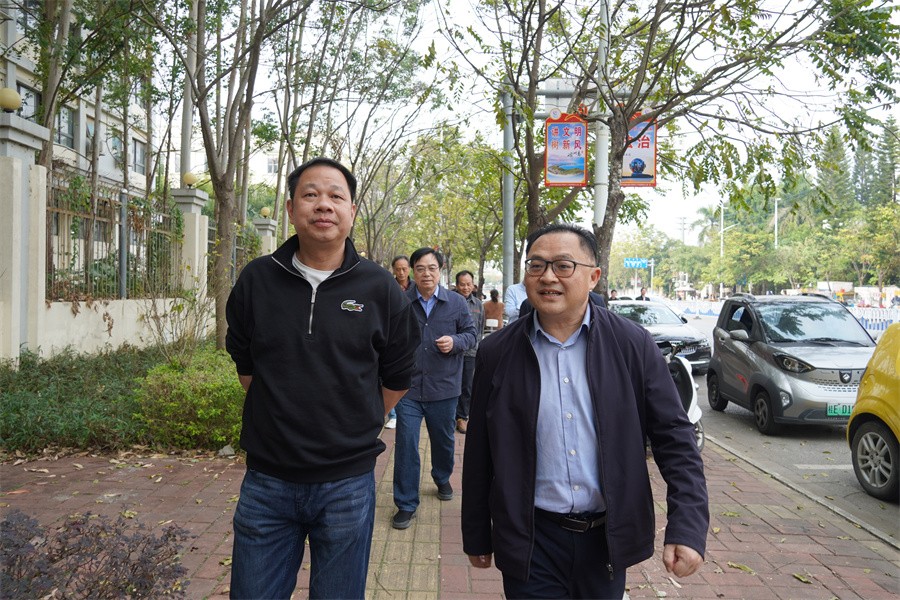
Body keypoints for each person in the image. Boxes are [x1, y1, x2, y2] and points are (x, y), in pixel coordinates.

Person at [462, 223, 708, 599]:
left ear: (593, 277)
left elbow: (674, 438)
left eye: (563, 266)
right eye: (536, 265)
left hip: (605, 541)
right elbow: (480, 451)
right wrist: (477, 533)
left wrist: (687, 526)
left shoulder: (632, 345)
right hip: (532, 539)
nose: (548, 277)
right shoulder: (498, 352)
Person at [225, 157, 420, 599]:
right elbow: (245, 361)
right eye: (311, 195)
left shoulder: (379, 288)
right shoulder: (258, 279)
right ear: (291, 208)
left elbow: (398, 373)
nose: (323, 205)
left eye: (336, 196)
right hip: (267, 480)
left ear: (352, 211)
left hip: (347, 482)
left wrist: (358, 418)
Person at [392, 248, 476, 530]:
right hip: (407, 389)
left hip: (444, 387)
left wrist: (455, 342)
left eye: (431, 268)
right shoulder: (401, 301)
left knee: (443, 442)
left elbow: (471, 335)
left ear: (440, 271)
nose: (426, 274)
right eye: (420, 268)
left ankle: (441, 476)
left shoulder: (456, 302)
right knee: (406, 444)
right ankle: (405, 503)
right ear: (412, 272)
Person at [454, 270, 485, 434]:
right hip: (452, 350)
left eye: (468, 284)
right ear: (456, 285)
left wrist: (477, 347)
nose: (466, 287)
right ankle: (450, 415)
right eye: (462, 284)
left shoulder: (478, 304)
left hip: (471, 352)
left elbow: (480, 328)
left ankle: (462, 417)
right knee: (452, 383)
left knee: (467, 385)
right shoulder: (451, 301)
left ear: (473, 285)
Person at [384, 254, 412, 430]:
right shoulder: (388, 286)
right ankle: (393, 414)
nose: (401, 272)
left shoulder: (416, 289)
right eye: (398, 269)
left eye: (404, 269)